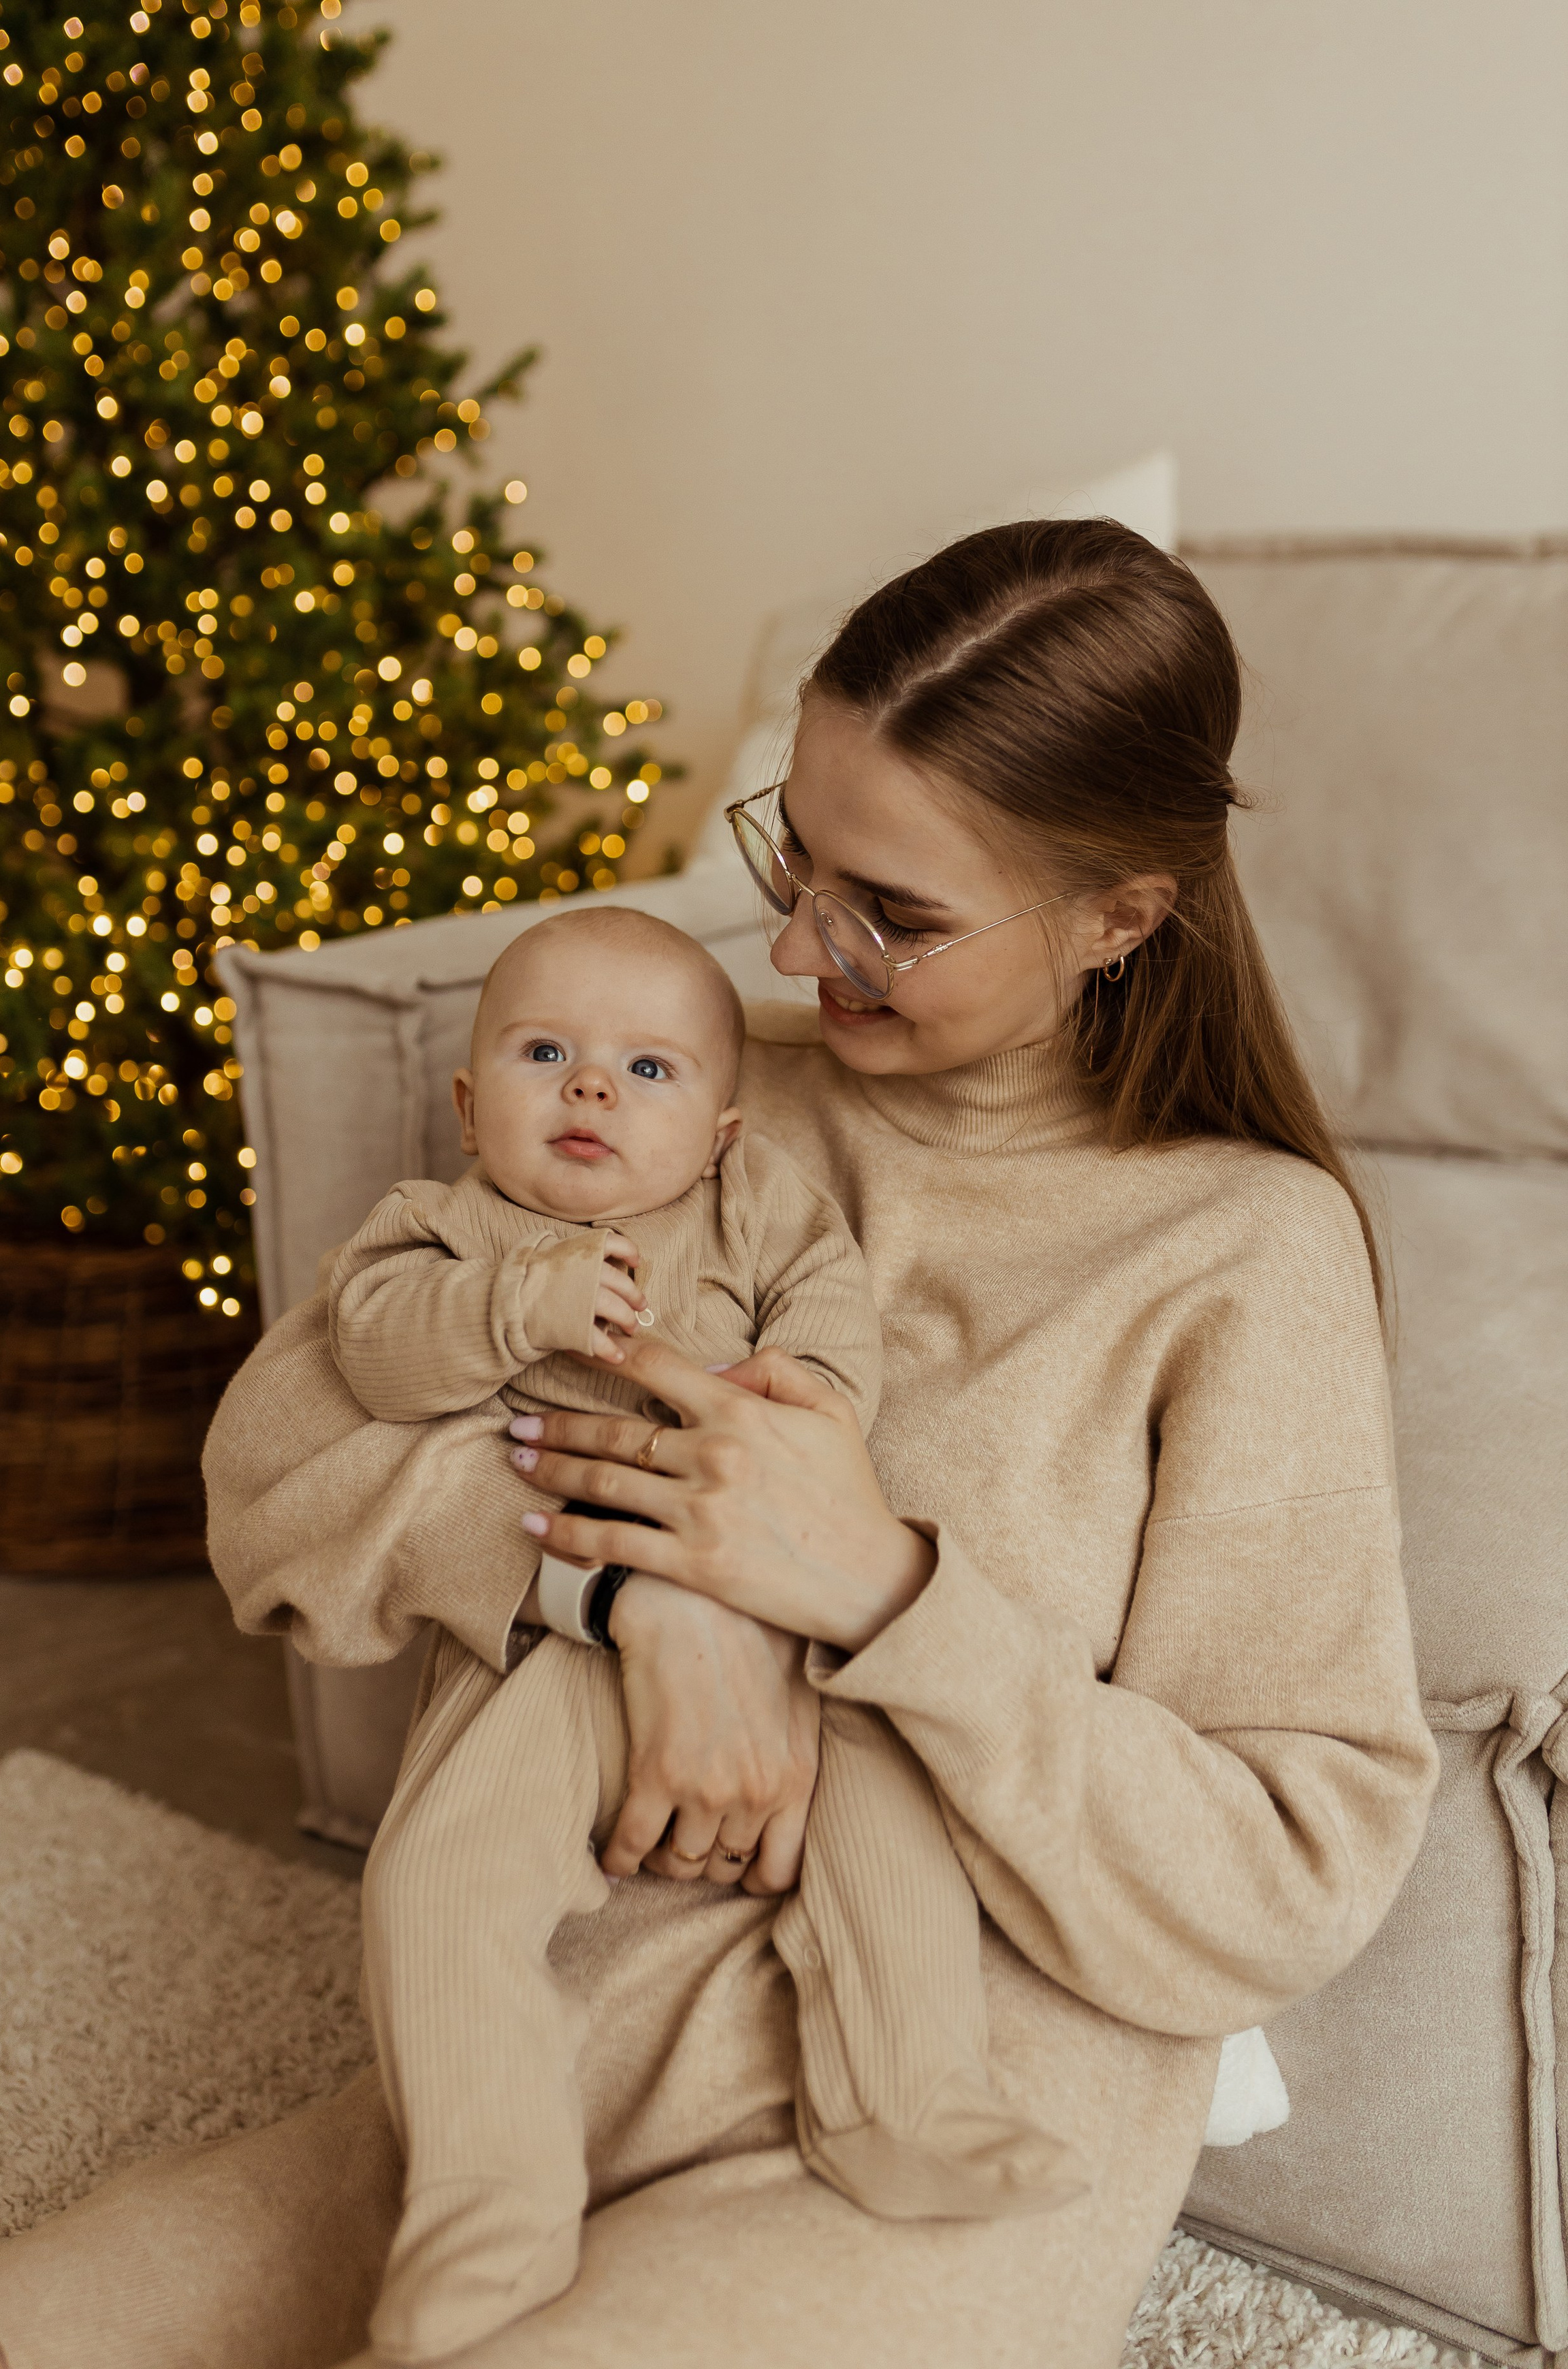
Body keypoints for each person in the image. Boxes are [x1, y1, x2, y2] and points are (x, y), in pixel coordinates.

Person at [0, 518, 1438, 2369]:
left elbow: (1288, 1870)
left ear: (1119, 919)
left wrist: (884, 1593)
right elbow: (279, 1473)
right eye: (797, 857)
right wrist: (625, 1594)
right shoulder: (683, 1097)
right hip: (530, 2057)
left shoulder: (1242, 1252)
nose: (792, 942)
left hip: (939, 2125)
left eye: (890, 914)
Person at [313, 904, 1078, 2363]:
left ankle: (907, 2098)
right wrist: (504, 1303)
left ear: (723, 1128)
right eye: (546, 1054)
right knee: (435, 1877)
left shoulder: (758, 1207)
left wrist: (795, 1393)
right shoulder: (445, 1229)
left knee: (888, 1807)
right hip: (549, 1644)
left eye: (647, 1070)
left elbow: (838, 1333)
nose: (592, 1088)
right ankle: (485, 2215)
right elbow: (371, 1352)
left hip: (776, 1613)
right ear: (472, 1107)